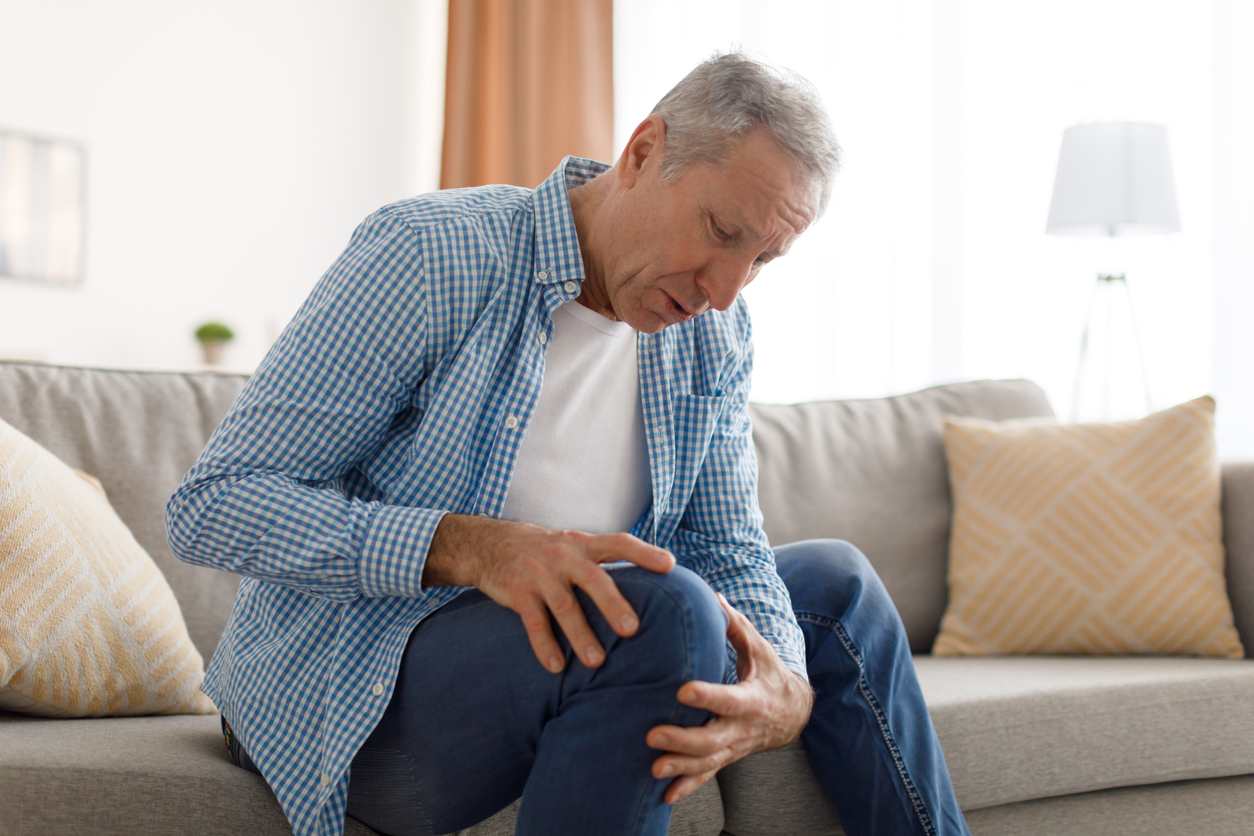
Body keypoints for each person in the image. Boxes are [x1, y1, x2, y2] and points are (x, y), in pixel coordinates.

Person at [167, 52, 971, 836]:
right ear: (643, 151)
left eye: (761, 258)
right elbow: (215, 505)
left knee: (837, 586)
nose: (724, 290)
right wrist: (474, 549)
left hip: (571, 660)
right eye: (721, 230)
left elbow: (728, 545)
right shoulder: (434, 254)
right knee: (665, 611)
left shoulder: (714, 335)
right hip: (357, 692)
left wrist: (787, 688)